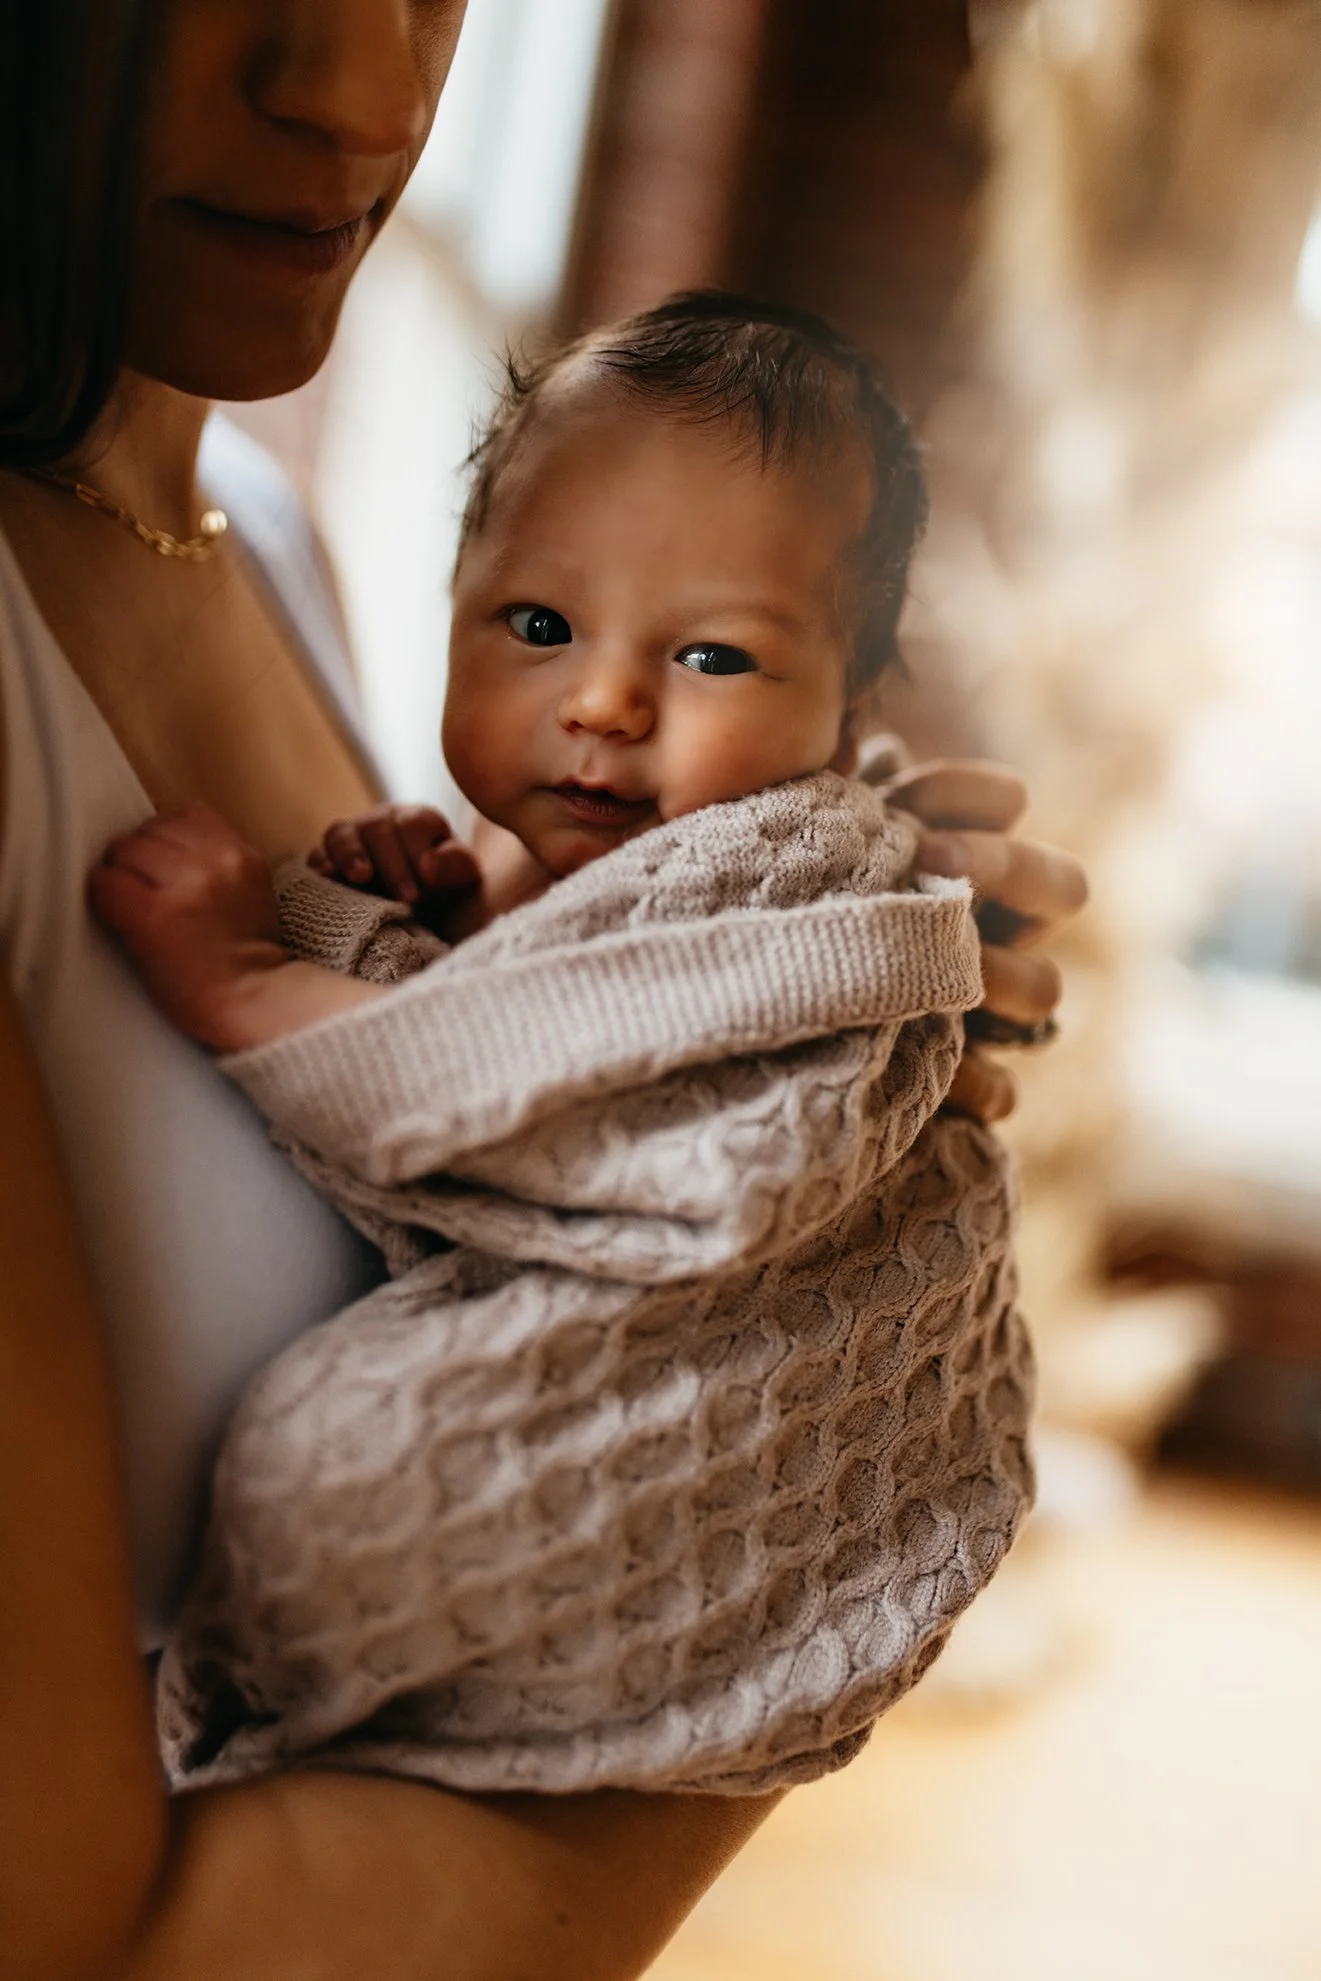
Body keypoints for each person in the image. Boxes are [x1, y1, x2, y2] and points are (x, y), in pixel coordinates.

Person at [0, 6, 1086, 1978]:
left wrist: (762, 971)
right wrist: (775, 1537)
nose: (357, 90)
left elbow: (521, 1119)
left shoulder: (287, 555)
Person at [89, 294, 1035, 1801]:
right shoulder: (546, 849)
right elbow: (518, 1023)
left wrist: (257, 977)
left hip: (763, 1403)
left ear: (849, 711)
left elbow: (543, 1080)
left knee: (323, 1485)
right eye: (536, 628)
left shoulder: (801, 876)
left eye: (715, 656)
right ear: (455, 597)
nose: (602, 702)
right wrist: (395, 927)